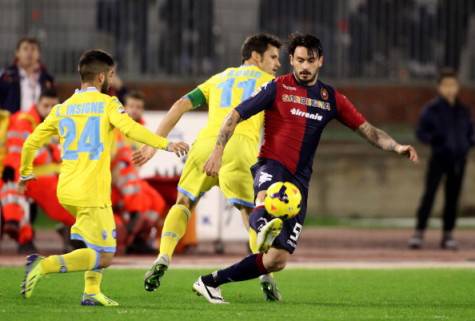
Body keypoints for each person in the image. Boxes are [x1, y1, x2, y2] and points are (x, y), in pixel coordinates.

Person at [195, 33, 419, 304]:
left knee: (277, 260)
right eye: (299, 60)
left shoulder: (331, 99)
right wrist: (218, 151)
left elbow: (369, 131)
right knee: (266, 198)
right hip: (272, 165)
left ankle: (210, 282)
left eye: (310, 61)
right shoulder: (276, 88)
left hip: (300, 183)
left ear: (320, 61)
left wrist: (396, 147)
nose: (304, 66)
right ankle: (263, 223)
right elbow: (235, 114)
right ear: (291, 60)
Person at [19, 49, 189, 306]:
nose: (112, 78)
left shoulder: (62, 109)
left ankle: (91, 292)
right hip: (92, 191)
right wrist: (165, 144)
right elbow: (131, 128)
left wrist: (25, 171)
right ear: (101, 77)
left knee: (95, 242)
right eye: (111, 74)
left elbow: (31, 142)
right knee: (106, 255)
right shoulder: (108, 104)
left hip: (67, 189)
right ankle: (43, 265)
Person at [132, 33, 283, 300]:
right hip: (239, 147)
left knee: (183, 202)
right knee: (249, 212)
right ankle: (264, 275)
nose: (277, 63)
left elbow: (180, 105)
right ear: (256, 56)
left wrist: (154, 144)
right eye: (273, 56)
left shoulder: (219, 78)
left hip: (203, 147)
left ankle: (163, 256)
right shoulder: (271, 83)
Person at [1, 88, 75, 253]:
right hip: (26, 174)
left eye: (53, 106)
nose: (49, 110)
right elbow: (17, 150)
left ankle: (73, 235)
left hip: (41, 174)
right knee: (17, 196)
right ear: (37, 104)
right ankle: (23, 237)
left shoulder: (51, 123)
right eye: (46, 105)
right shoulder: (24, 121)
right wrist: (12, 168)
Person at [408, 68, 474, 250]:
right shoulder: (431, 110)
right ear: (439, 87)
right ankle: (419, 233)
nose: (449, 89)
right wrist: (435, 141)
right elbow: (421, 132)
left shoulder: (463, 110)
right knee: (429, 195)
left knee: (452, 199)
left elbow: (470, 132)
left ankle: (448, 235)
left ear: (458, 87)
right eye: (446, 85)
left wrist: (468, 144)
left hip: (459, 160)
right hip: (439, 158)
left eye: (453, 85)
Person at [111, 90, 167, 254]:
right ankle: (125, 240)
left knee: (156, 202)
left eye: (139, 107)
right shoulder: (115, 127)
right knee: (139, 200)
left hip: (132, 179)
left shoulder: (142, 130)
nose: (135, 110)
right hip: (115, 179)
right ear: (124, 107)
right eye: (131, 106)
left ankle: (139, 239)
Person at [0, 37, 54, 113]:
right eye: (25, 49)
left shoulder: (47, 78)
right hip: (13, 122)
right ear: (17, 53)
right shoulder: (7, 76)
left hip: (40, 122)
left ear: (39, 54)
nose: (29, 53)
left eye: (33, 49)